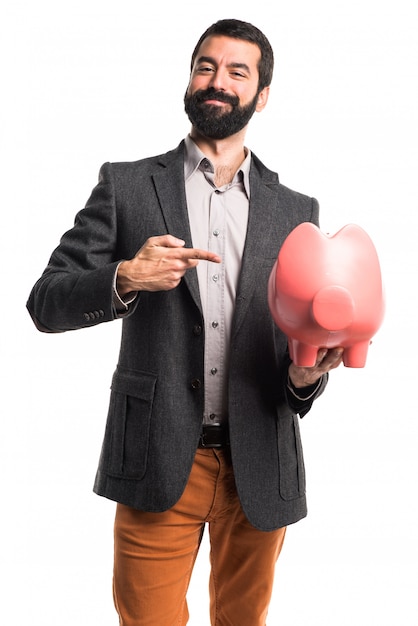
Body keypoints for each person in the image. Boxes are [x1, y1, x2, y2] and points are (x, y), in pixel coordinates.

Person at [27, 18, 343, 626]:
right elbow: (45, 303)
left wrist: (308, 378)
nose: (217, 81)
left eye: (237, 71)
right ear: (191, 78)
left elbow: (300, 349)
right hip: (156, 456)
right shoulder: (126, 186)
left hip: (261, 459)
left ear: (262, 94)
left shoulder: (297, 211)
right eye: (206, 66)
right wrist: (124, 276)